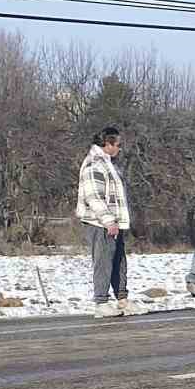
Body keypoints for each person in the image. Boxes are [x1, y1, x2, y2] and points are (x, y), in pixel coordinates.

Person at [76, 126, 142, 318]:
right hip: (100, 223)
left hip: (115, 222)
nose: (120, 148)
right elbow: (93, 197)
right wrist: (108, 221)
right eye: (117, 145)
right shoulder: (94, 164)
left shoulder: (110, 164)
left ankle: (122, 299)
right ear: (107, 144)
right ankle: (101, 302)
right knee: (104, 262)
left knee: (119, 261)